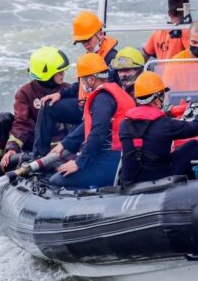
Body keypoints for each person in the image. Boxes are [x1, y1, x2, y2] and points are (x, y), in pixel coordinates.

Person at [32, 10, 119, 156]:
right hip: (82, 106)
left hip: (97, 110)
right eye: (81, 42)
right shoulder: (92, 55)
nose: (85, 45)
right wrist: (59, 94)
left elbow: (110, 95)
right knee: (48, 106)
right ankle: (39, 155)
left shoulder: (112, 59)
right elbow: (80, 86)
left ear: (100, 33)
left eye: (87, 40)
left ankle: (68, 152)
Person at [47, 53, 135, 189]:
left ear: (92, 80)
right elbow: (90, 125)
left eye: (82, 79)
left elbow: (98, 133)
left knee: (56, 181)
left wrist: (78, 163)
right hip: (124, 157)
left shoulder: (102, 99)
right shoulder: (118, 91)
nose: (81, 83)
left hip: (111, 160)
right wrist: (64, 144)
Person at [0, 47, 71, 173]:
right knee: (4, 118)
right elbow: (22, 124)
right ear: (46, 74)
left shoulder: (67, 90)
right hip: (33, 144)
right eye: (60, 72)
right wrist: (12, 149)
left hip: (60, 145)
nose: (63, 75)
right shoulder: (25, 93)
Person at [118, 72, 198, 184]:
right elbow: (196, 128)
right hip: (159, 180)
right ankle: (193, 187)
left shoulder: (124, 124)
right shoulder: (165, 124)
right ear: (156, 99)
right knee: (194, 145)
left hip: (129, 181)